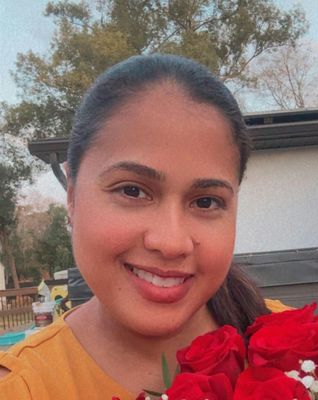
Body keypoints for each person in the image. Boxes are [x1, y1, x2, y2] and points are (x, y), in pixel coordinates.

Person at [0, 54, 267, 399]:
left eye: (206, 202)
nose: (171, 242)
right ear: (72, 196)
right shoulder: (22, 389)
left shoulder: (312, 351)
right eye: (132, 191)